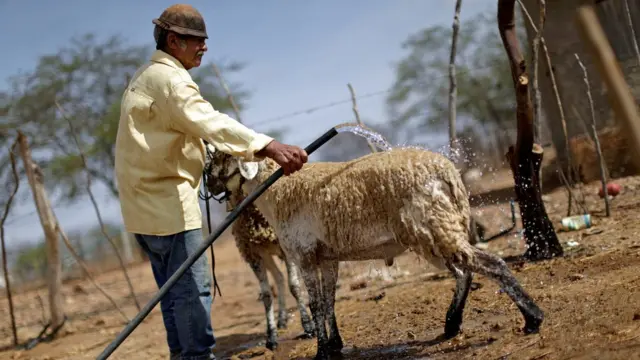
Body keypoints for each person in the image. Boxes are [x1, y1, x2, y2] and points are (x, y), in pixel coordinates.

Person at [113, 4, 308, 360]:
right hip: (169, 205)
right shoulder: (171, 81)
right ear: (174, 41)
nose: (204, 48)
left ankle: (183, 356)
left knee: (172, 295)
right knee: (192, 291)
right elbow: (209, 121)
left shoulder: (144, 77)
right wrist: (267, 145)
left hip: (142, 208)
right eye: (197, 42)